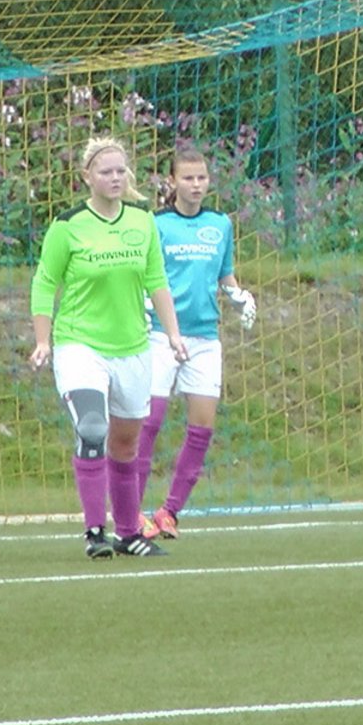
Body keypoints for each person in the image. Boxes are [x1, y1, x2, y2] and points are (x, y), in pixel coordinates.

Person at [29, 137, 188, 560]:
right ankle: (95, 532)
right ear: (87, 178)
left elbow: (156, 280)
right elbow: (46, 282)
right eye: (105, 171)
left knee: (125, 444)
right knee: (93, 428)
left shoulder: (142, 221)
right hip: (81, 346)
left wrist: (173, 335)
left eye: (121, 171)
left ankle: (129, 532)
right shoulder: (68, 226)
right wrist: (43, 340)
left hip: (133, 348)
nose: (115, 178)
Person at [130, 146, 257, 540]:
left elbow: (225, 276)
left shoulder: (220, 225)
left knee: (201, 428)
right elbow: (142, 274)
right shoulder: (155, 224)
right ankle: (131, 514)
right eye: (187, 178)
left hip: (205, 338)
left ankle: (169, 511)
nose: (196, 184)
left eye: (201, 177)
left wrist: (239, 296)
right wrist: (146, 300)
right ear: (172, 181)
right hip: (160, 334)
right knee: (148, 423)